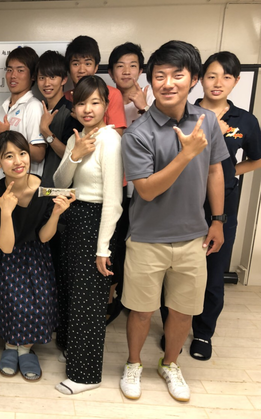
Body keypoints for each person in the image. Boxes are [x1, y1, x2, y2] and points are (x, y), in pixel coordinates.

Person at [119, 40, 229, 403]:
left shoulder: (207, 121)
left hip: (193, 237)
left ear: (193, 79)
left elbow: (215, 171)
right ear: (150, 81)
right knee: (141, 310)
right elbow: (147, 190)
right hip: (147, 237)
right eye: (160, 75)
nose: (168, 83)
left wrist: (217, 220)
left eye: (177, 75)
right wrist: (185, 155)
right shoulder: (137, 132)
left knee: (183, 311)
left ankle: (169, 364)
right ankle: (133, 363)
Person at [165, 51, 261, 361]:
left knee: (213, 270)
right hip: (183, 201)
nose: (218, 83)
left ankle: (203, 333)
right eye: (211, 76)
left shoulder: (245, 121)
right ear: (200, 79)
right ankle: (172, 331)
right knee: (176, 269)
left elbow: (256, 158)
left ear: (237, 81)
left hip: (223, 205)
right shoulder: (184, 112)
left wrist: (230, 172)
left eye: (226, 77)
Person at [0, 131, 74, 382]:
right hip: (4, 255)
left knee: (37, 302)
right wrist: (5, 212)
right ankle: (10, 346)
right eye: (9, 156)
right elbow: (6, 247)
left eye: (22, 153)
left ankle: (25, 349)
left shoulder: (44, 189)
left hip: (35, 253)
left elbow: (44, 237)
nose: (18, 161)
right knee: (9, 301)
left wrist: (56, 214)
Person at [53, 75, 123, 395]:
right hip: (74, 217)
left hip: (97, 221)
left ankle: (86, 375)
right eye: (81, 103)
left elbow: (114, 200)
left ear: (106, 105)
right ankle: (74, 352)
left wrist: (103, 248)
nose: (87, 109)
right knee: (74, 293)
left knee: (90, 301)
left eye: (95, 102)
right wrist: (75, 153)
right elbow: (60, 181)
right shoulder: (77, 138)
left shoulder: (110, 140)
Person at [105, 42, 155, 324]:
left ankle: (133, 298)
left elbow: (162, 142)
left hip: (146, 187)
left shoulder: (153, 101)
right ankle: (112, 296)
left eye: (133, 65)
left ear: (141, 70)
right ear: (111, 72)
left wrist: (144, 108)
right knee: (116, 242)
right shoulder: (103, 101)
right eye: (120, 66)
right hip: (117, 185)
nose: (126, 71)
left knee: (139, 246)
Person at [0, 47, 45, 185]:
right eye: (9, 70)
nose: (13, 75)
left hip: (23, 188)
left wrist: (6, 134)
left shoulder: (34, 107)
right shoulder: (1, 109)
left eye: (20, 70)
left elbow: (39, 154)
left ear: (33, 76)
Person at [64, 36, 127, 136]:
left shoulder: (112, 94)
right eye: (76, 64)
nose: (82, 70)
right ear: (69, 68)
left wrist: (82, 119)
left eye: (88, 63)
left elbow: (117, 135)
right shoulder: (65, 97)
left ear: (96, 67)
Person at [36, 50, 72, 187]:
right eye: (42, 78)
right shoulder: (36, 109)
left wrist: (46, 131)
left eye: (52, 77)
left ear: (64, 79)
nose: (46, 83)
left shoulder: (70, 112)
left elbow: (70, 156)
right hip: (35, 186)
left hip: (58, 189)